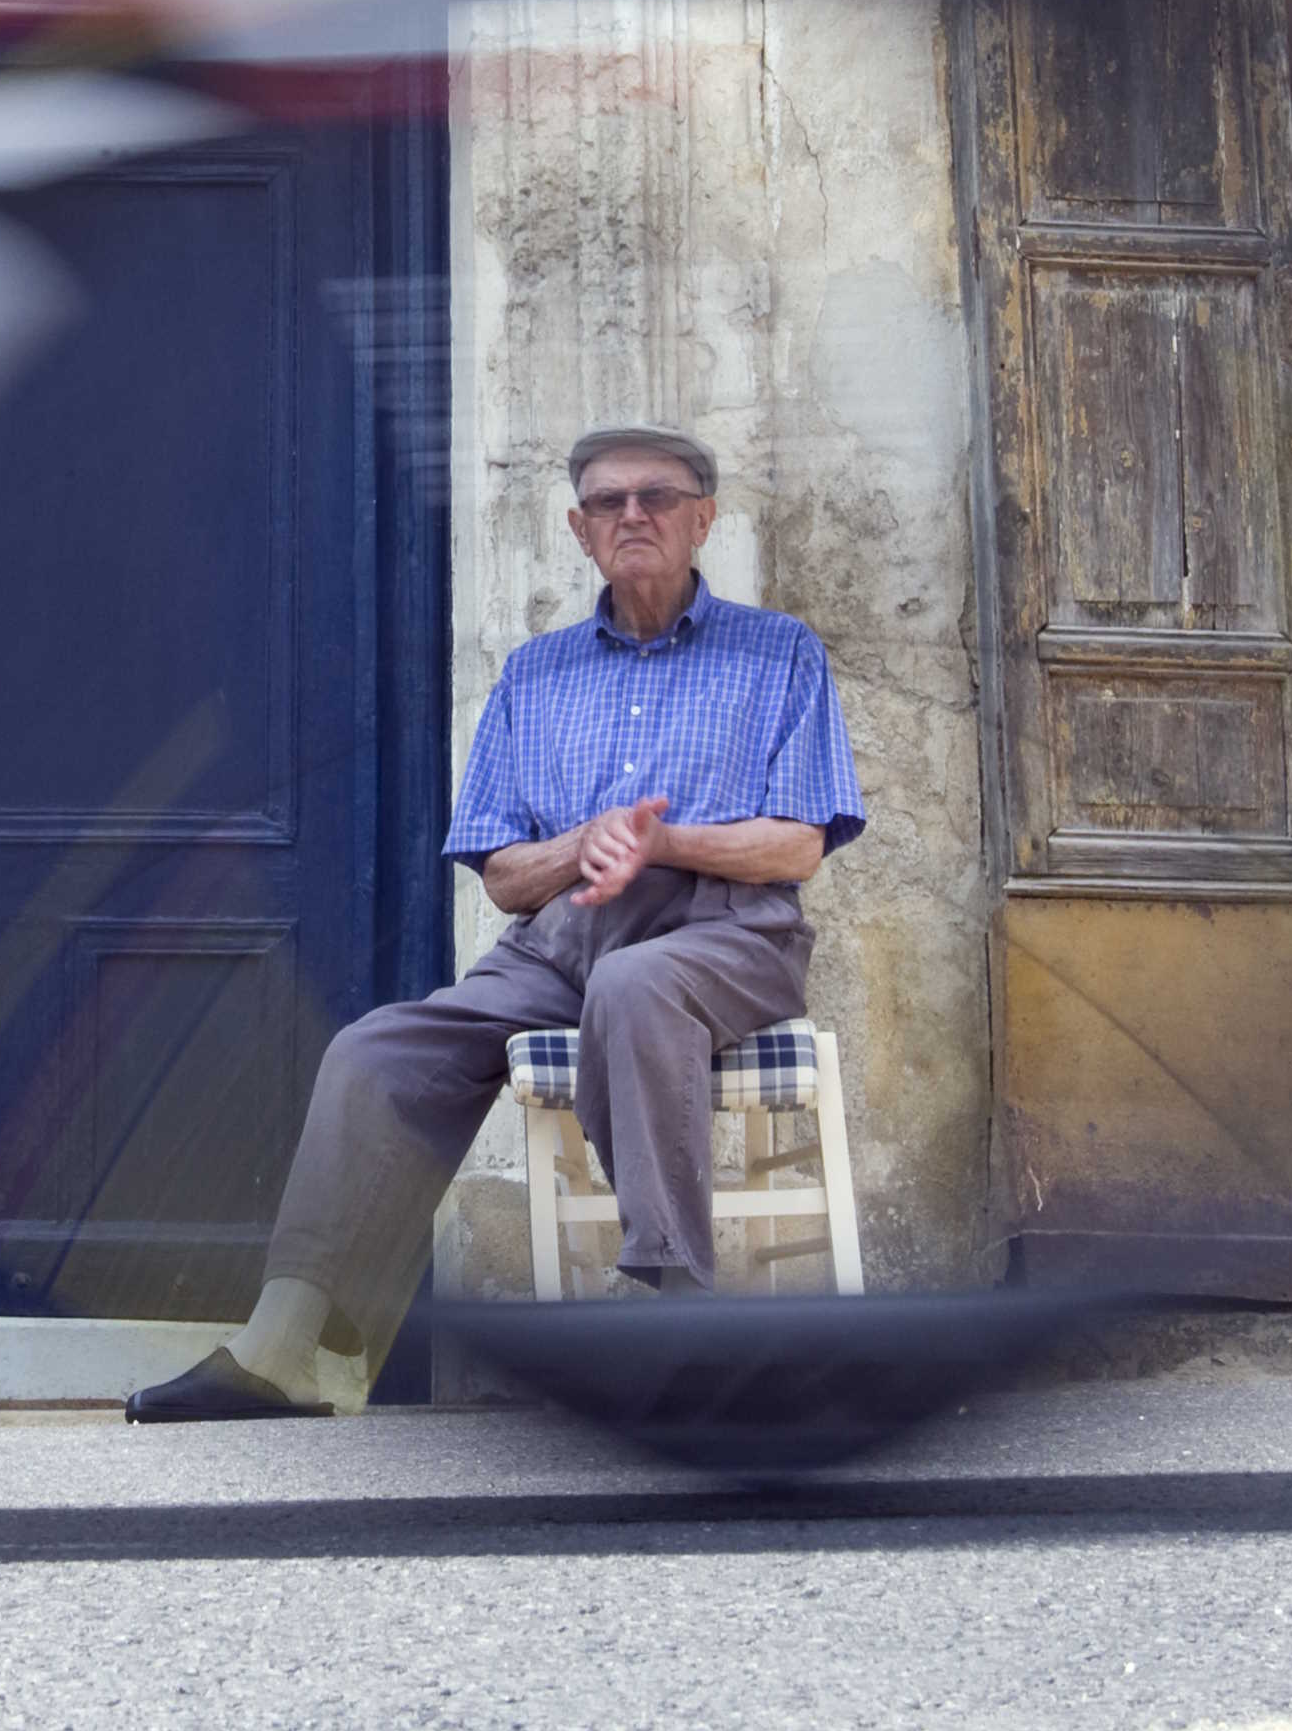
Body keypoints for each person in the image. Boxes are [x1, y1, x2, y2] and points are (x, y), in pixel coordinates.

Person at [124, 422, 864, 1420]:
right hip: (559, 942)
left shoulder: (778, 652)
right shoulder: (535, 673)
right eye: (608, 501)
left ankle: (673, 1309)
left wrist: (661, 842)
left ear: (703, 517)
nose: (632, 514)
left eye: (656, 495)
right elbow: (506, 874)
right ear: (577, 527)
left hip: (730, 934)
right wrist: (585, 844)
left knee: (636, 985)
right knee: (375, 1050)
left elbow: (796, 846)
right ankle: (294, 1345)